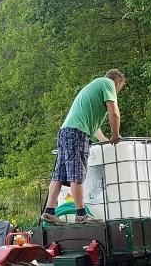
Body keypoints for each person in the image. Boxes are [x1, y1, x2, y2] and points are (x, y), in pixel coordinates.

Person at [41, 69, 126, 226]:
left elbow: (94, 129)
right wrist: (116, 135)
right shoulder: (107, 83)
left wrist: (106, 141)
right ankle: (81, 215)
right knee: (77, 174)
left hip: (65, 132)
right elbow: (114, 113)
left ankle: (49, 211)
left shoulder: (92, 89)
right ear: (118, 82)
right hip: (77, 134)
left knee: (59, 175)